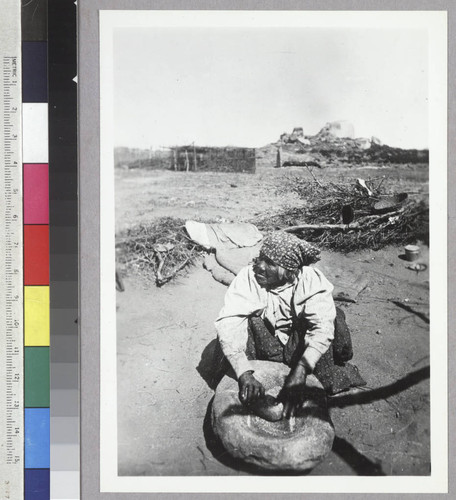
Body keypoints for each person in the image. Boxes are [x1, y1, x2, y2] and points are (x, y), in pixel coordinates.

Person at [214, 231, 365, 419]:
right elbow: (229, 321)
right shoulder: (249, 277)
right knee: (245, 325)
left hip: (298, 341)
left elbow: (321, 328)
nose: (259, 267)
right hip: (269, 343)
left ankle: (313, 373)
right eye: (260, 258)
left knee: (331, 319)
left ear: (288, 270)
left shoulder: (310, 280)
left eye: (270, 263)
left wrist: (301, 370)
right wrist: (244, 372)